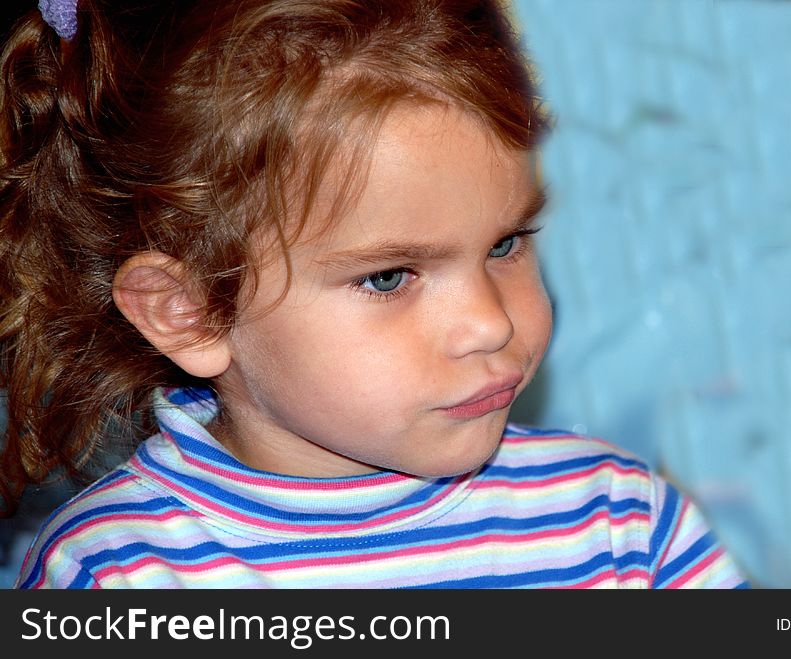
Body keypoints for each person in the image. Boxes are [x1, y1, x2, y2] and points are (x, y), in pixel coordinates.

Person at [1, 0, 749, 589]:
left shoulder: (622, 524)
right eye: (389, 276)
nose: (490, 323)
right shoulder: (117, 572)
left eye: (506, 244)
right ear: (189, 310)